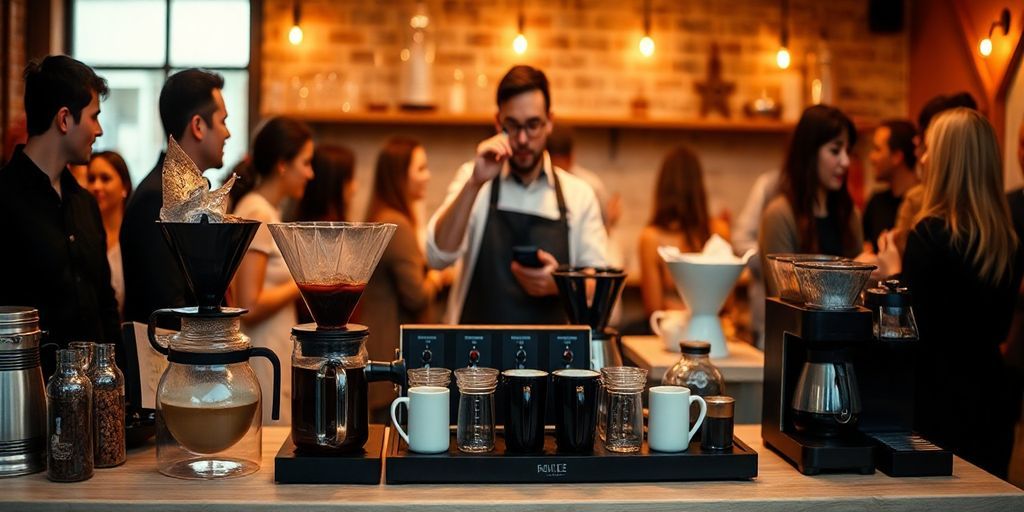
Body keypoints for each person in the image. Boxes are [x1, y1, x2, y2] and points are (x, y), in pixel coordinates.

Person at [877, 108, 1022, 479]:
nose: (921, 159)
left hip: (938, 407)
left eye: (928, 150)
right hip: (991, 404)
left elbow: (914, 331)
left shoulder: (930, 234)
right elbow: (997, 327)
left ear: (947, 161)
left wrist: (894, 273)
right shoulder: (1005, 240)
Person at [427, 65, 607, 324]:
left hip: (552, 361)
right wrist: (474, 183)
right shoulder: (475, 179)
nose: (522, 139)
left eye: (533, 125)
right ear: (498, 122)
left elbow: (599, 284)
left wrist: (561, 283)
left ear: (550, 122)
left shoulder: (578, 195)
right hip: (475, 358)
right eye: (513, 126)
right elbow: (437, 257)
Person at [0, 55, 119, 375]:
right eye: (94, 117)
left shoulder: (84, 203)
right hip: (26, 400)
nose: (99, 130)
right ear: (65, 119)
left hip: (96, 398)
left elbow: (105, 304)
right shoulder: (6, 200)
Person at [121, 69, 231, 326]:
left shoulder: (192, 192)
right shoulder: (156, 199)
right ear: (198, 126)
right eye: (223, 121)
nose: (228, 133)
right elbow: (167, 307)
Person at [359, 137, 450, 421]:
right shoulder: (398, 225)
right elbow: (416, 295)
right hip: (389, 352)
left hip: (376, 348)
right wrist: (442, 277)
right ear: (400, 175)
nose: (428, 176)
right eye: (421, 168)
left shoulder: (382, 216)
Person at [231, 116, 314, 425]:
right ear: (282, 164)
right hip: (263, 349)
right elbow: (249, 303)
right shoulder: (258, 211)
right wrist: (305, 282)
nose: (310, 173)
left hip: (275, 343)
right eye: (305, 163)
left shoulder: (264, 209)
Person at [759, 105, 864, 287]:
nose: (846, 162)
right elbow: (785, 293)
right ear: (809, 152)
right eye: (835, 150)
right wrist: (853, 273)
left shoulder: (849, 213)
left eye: (848, 151)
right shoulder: (780, 215)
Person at [639, 146, 729, 316]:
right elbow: (727, 304)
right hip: (712, 330)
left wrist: (676, 308)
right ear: (699, 187)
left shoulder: (651, 239)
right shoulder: (719, 232)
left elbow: (654, 309)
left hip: (670, 333)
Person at [289, 144, 357, 324]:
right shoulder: (329, 233)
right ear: (334, 184)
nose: (355, 188)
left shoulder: (303, 226)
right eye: (350, 180)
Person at [732, 170, 779, 349]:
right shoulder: (770, 186)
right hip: (766, 318)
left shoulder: (840, 200)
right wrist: (771, 266)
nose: (844, 161)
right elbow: (740, 239)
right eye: (835, 151)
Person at [87, 151, 133, 318]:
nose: (96, 186)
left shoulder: (133, 236)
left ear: (125, 187)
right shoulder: (85, 236)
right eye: (91, 179)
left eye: (105, 178)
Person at [862, 120, 918, 252]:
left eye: (877, 149)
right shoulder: (876, 202)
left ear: (897, 156)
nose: (871, 157)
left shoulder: (921, 204)